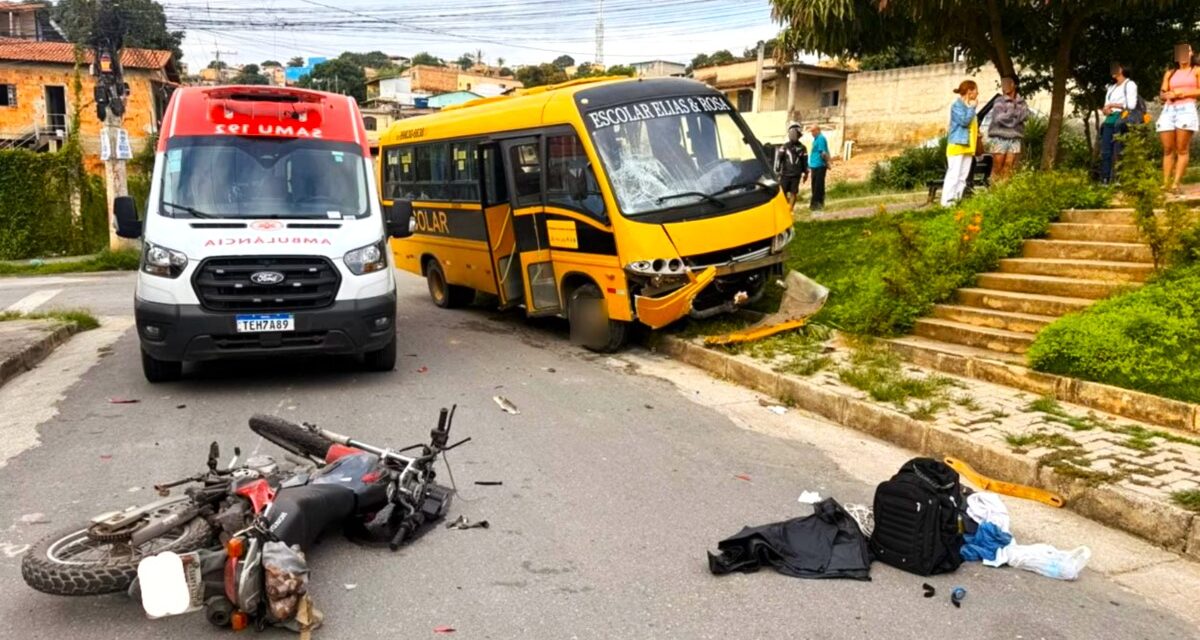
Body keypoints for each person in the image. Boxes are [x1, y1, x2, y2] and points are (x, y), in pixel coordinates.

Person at [1158, 43, 1200, 192]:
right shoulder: (1170, 73)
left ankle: (1176, 183)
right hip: (1169, 109)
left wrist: (1181, 93)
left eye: (1186, 51)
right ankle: (1166, 183)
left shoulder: (1196, 70)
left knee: (1182, 148)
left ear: (1191, 53)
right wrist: (1166, 95)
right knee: (1168, 149)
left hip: (1186, 108)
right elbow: (1162, 93)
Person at [1099, 62, 1140, 184]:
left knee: (1120, 149)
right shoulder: (1111, 87)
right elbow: (1106, 105)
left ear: (1122, 69)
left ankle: (1120, 178)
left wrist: (1113, 105)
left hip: (1122, 119)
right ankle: (1105, 179)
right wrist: (1106, 109)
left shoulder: (1130, 84)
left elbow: (1131, 105)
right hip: (1109, 119)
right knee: (1106, 150)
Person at [941, 80, 979, 207]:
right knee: (954, 175)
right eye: (975, 90)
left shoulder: (970, 106)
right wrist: (972, 107)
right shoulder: (957, 106)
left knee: (962, 177)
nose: (978, 93)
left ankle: (955, 202)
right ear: (969, 91)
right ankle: (946, 204)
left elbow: (971, 124)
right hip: (957, 145)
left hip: (968, 146)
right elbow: (964, 121)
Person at [986, 77, 1029, 181]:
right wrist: (1014, 117)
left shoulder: (1021, 102)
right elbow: (998, 118)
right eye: (1002, 84)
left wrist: (1009, 116)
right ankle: (993, 191)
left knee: (1009, 165)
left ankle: (1003, 190)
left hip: (1015, 138)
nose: (1004, 86)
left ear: (1013, 85)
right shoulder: (999, 101)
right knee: (997, 165)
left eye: (1007, 83)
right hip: (1000, 137)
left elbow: (1026, 116)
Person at [774, 122, 808, 208]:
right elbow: (779, 159)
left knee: (794, 192)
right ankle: (786, 206)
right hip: (785, 174)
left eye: (796, 133)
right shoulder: (784, 146)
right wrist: (777, 171)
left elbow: (805, 161)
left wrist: (806, 173)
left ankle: (790, 209)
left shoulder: (802, 148)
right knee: (783, 192)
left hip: (796, 175)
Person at [807, 124, 830, 211]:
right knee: (815, 185)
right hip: (814, 165)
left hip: (820, 165)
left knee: (818, 186)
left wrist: (827, 162)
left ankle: (816, 204)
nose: (812, 133)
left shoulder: (821, 138)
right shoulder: (816, 139)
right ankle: (817, 203)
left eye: (813, 131)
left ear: (818, 130)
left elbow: (823, 153)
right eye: (811, 131)